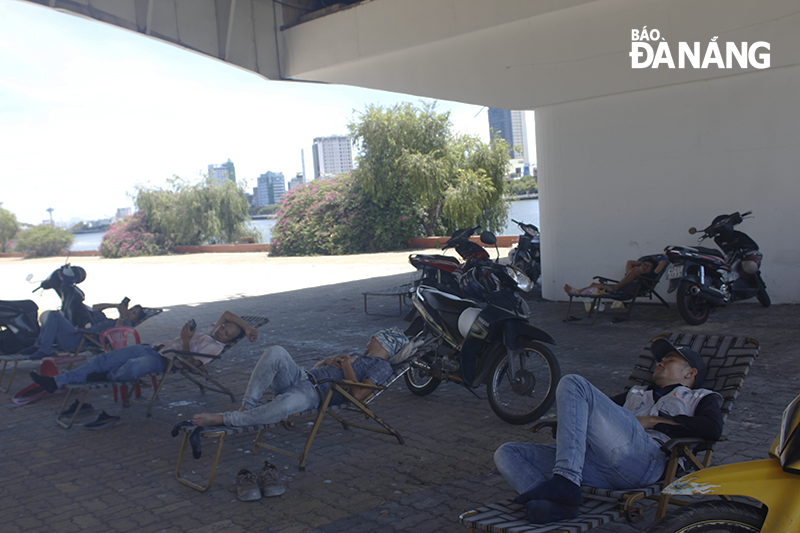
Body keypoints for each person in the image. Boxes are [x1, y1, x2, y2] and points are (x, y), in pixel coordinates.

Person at [493, 338, 723, 524]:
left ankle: (565, 481)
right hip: (596, 463)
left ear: (690, 373)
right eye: (659, 360)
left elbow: (712, 429)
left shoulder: (699, 397)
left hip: (646, 461)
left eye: (669, 359)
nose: (659, 363)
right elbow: (589, 410)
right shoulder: (636, 393)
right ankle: (553, 504)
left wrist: (654, 422)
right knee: (507, 452)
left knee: (573, 382)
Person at [191, 327, 410, 428]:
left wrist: (345, 366)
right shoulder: (358, 356)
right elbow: (317, 367)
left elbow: (359, 395)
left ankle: (226, 419)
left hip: (314, 394)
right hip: (303, 376)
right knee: (275, 350)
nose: (369, 339)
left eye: (374, 338)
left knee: (285, 405)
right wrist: (330, 359)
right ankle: (247, 407)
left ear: (384, 343)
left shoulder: (381, 367)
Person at [29, 311, 258, 393]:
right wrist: (247, 327)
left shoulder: (215, 347)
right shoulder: (211, 331)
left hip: (163, 362)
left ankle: (107, 376)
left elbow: (192, 365)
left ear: (228, 342)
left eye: (226, 333)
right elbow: (228, 313)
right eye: (222, 328)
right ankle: (56, 382)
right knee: (104, 358)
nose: (220, 331)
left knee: (132, 368)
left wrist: (187, 341)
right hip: (151, 348)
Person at [22, 299, 147, 359]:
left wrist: (122, 315)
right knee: (54, 315)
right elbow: (95, 308)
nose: (130, 313)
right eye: (131, 310)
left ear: (136, 320)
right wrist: (115, 305)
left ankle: (43, 348)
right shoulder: (115, 320)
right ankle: (39, 346)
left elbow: (116, 336)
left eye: (134, 313)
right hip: (79, 335)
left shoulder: (127, 325)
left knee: (54, 316)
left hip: (81, 341)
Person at [564, 255, 668, 296]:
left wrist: (653, 261)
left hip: (631, 289)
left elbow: (663, 262)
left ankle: (615, 287)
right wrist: (641, 264)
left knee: (635, 270)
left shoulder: (650, 275)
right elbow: (629, 262)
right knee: (594, 284)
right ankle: (578, 291)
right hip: (623, 288)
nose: (646, 267)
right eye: (644, 265)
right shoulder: (631, 274)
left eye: (648, 267)